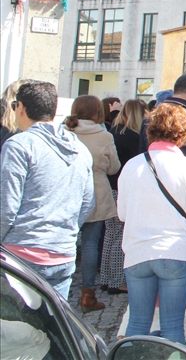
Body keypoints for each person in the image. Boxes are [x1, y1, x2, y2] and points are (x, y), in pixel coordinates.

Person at [118, 103, 186, 344]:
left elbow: (123, 214)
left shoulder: (132, 166)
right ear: (184, 133)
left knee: (137, 322)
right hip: (175, 252)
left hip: (138, 252)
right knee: (172, 326)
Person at [0, 81, 94, 299]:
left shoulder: (19, 145)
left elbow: (7, 207)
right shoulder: (80, 149)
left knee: (14, 320)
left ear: (20, 108)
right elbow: (88, 202)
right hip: (62, 253)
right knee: (54, 320)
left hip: (21, 253)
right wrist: (64, 232)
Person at [64, 95, 121, 312]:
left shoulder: (64, 132)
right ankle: (87, 294)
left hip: (67, 190)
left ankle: (59, 289)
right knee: (90, 244)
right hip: (96, 192)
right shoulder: (104, 136)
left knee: (65, 241)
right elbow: (114, 168)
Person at [103, 99, 148, 294]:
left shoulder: (113, 131)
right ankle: (116, 281)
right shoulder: (132, 137)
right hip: (123, 189)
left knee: (110, 235)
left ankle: (107, 278)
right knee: (120, 236)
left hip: (110, 187)